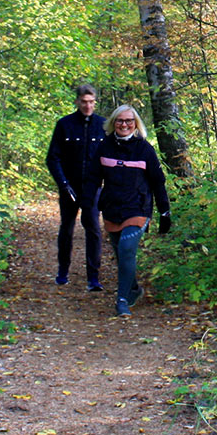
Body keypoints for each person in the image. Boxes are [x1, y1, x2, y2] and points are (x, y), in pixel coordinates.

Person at [85, 104, 171, 317]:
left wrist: (164, 212)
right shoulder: (104, 147)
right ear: (113, 123)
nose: (124, 124)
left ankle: (122, 300)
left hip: (138, 208)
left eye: (129, 121)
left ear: (136, 124)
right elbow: (93, 178)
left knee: (126, 249)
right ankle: (133, 290)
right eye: (120, 121)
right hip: (113, 208)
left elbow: (158, 183)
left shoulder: (144, 149)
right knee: (121, 254)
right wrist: (88, 206)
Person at [45, 85, 107, 290]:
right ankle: (63, 271)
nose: (87, 105)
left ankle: (93, 278)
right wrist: (63, 183)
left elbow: (111, 156)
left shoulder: (103, 125)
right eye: (84, 101)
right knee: (67, 228)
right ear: (77, 102)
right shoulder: (65, 125)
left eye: (91, 102)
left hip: (92, 187)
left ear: (95, 102)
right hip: (69, 186)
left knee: (93, 229)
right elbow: (53, 158)